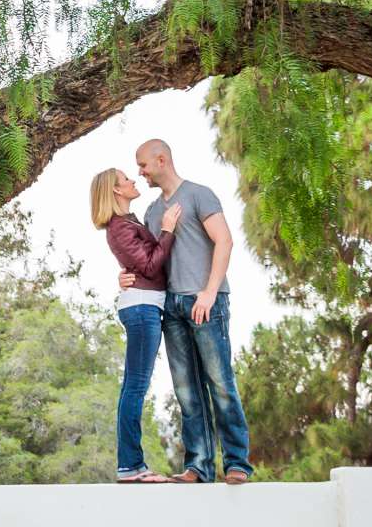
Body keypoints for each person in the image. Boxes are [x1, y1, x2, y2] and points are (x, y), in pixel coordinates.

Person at [117, 138, 252, 485]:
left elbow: (224, 240)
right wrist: (125, 274)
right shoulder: (150, 212)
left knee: (220, 382)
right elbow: (149, 259)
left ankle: (237, 463)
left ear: (161, 160)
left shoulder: (198, 194)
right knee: (187, 390)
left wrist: (208, 292)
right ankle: (199, 466)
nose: (140, 172)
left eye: (143, 165)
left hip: (206, 301)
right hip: (171, 306)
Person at [91, 166, 184, 483]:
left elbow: (138, 266)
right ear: (116, 191)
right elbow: (148, 264)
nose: (132, 180)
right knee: (135, 387)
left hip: (145, 304)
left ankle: (130, 465)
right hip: (142, 308)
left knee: (134, 385)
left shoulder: (129, 221)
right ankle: (131, 466)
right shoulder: (118, 227)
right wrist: (168, 230)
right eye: (126, 179)